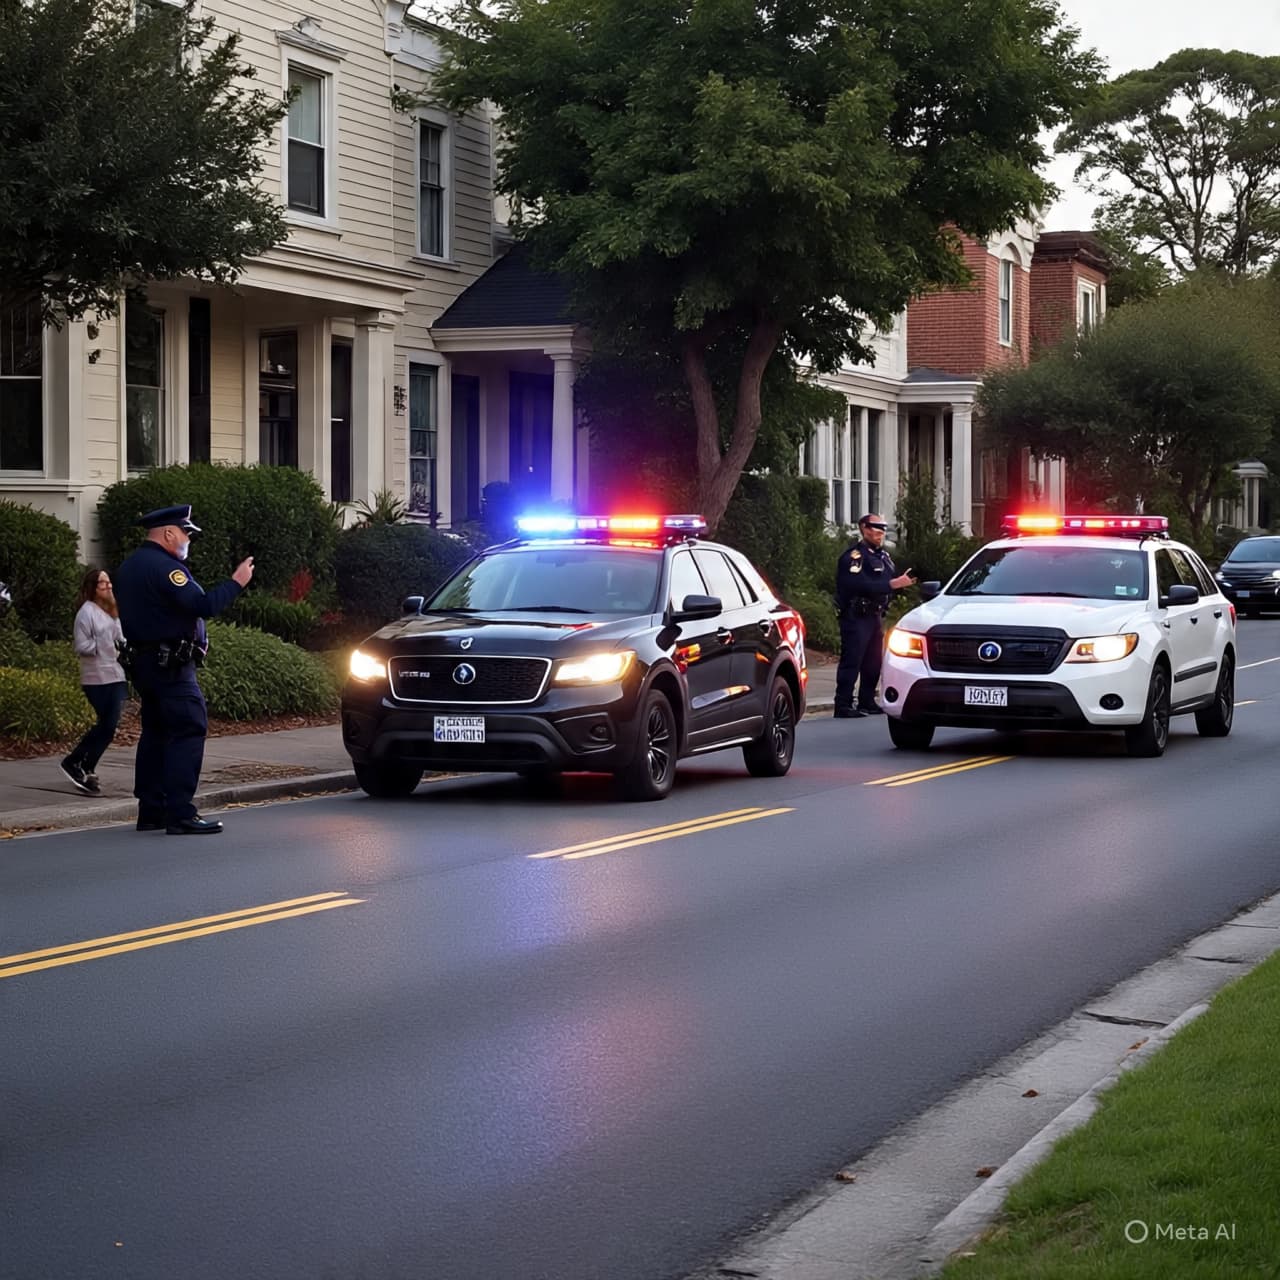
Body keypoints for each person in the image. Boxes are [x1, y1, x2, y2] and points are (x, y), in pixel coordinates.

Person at [113, 505, 254, 835]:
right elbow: (201, 605)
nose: (188, 539)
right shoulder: (166, 569)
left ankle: (151, 810)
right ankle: (180, 812)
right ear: (168, 533)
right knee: (188, 728)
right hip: (171, 668)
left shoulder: (131, 566)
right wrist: (236, 583)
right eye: (186, 532)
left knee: (156, 734)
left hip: (145, 665)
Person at [834, 513, 916, 718]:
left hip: (875, 615)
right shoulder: (854, 557)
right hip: (856, 615)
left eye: (882, 531)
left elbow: (887, 579)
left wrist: (896, 584)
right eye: (874, 530)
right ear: (863, 528)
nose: (879, 535)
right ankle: (843, 703)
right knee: (852, 660)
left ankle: (867, 701)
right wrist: (891, 585)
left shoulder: (883, 557)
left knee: (873, 662)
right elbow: (856, 584)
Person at [60, 568, 128, 795]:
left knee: (109, 727)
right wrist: (101, 644)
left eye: (109, 582)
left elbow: (119, 636)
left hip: (116, 674)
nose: (108, 587)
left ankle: (87, 766)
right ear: (92, 588)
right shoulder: (86, 613)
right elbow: (81, 646)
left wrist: (123, 644)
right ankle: (75, 761)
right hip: (96, 677)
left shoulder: (112, 608)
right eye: (102, 584)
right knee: (106, 724)